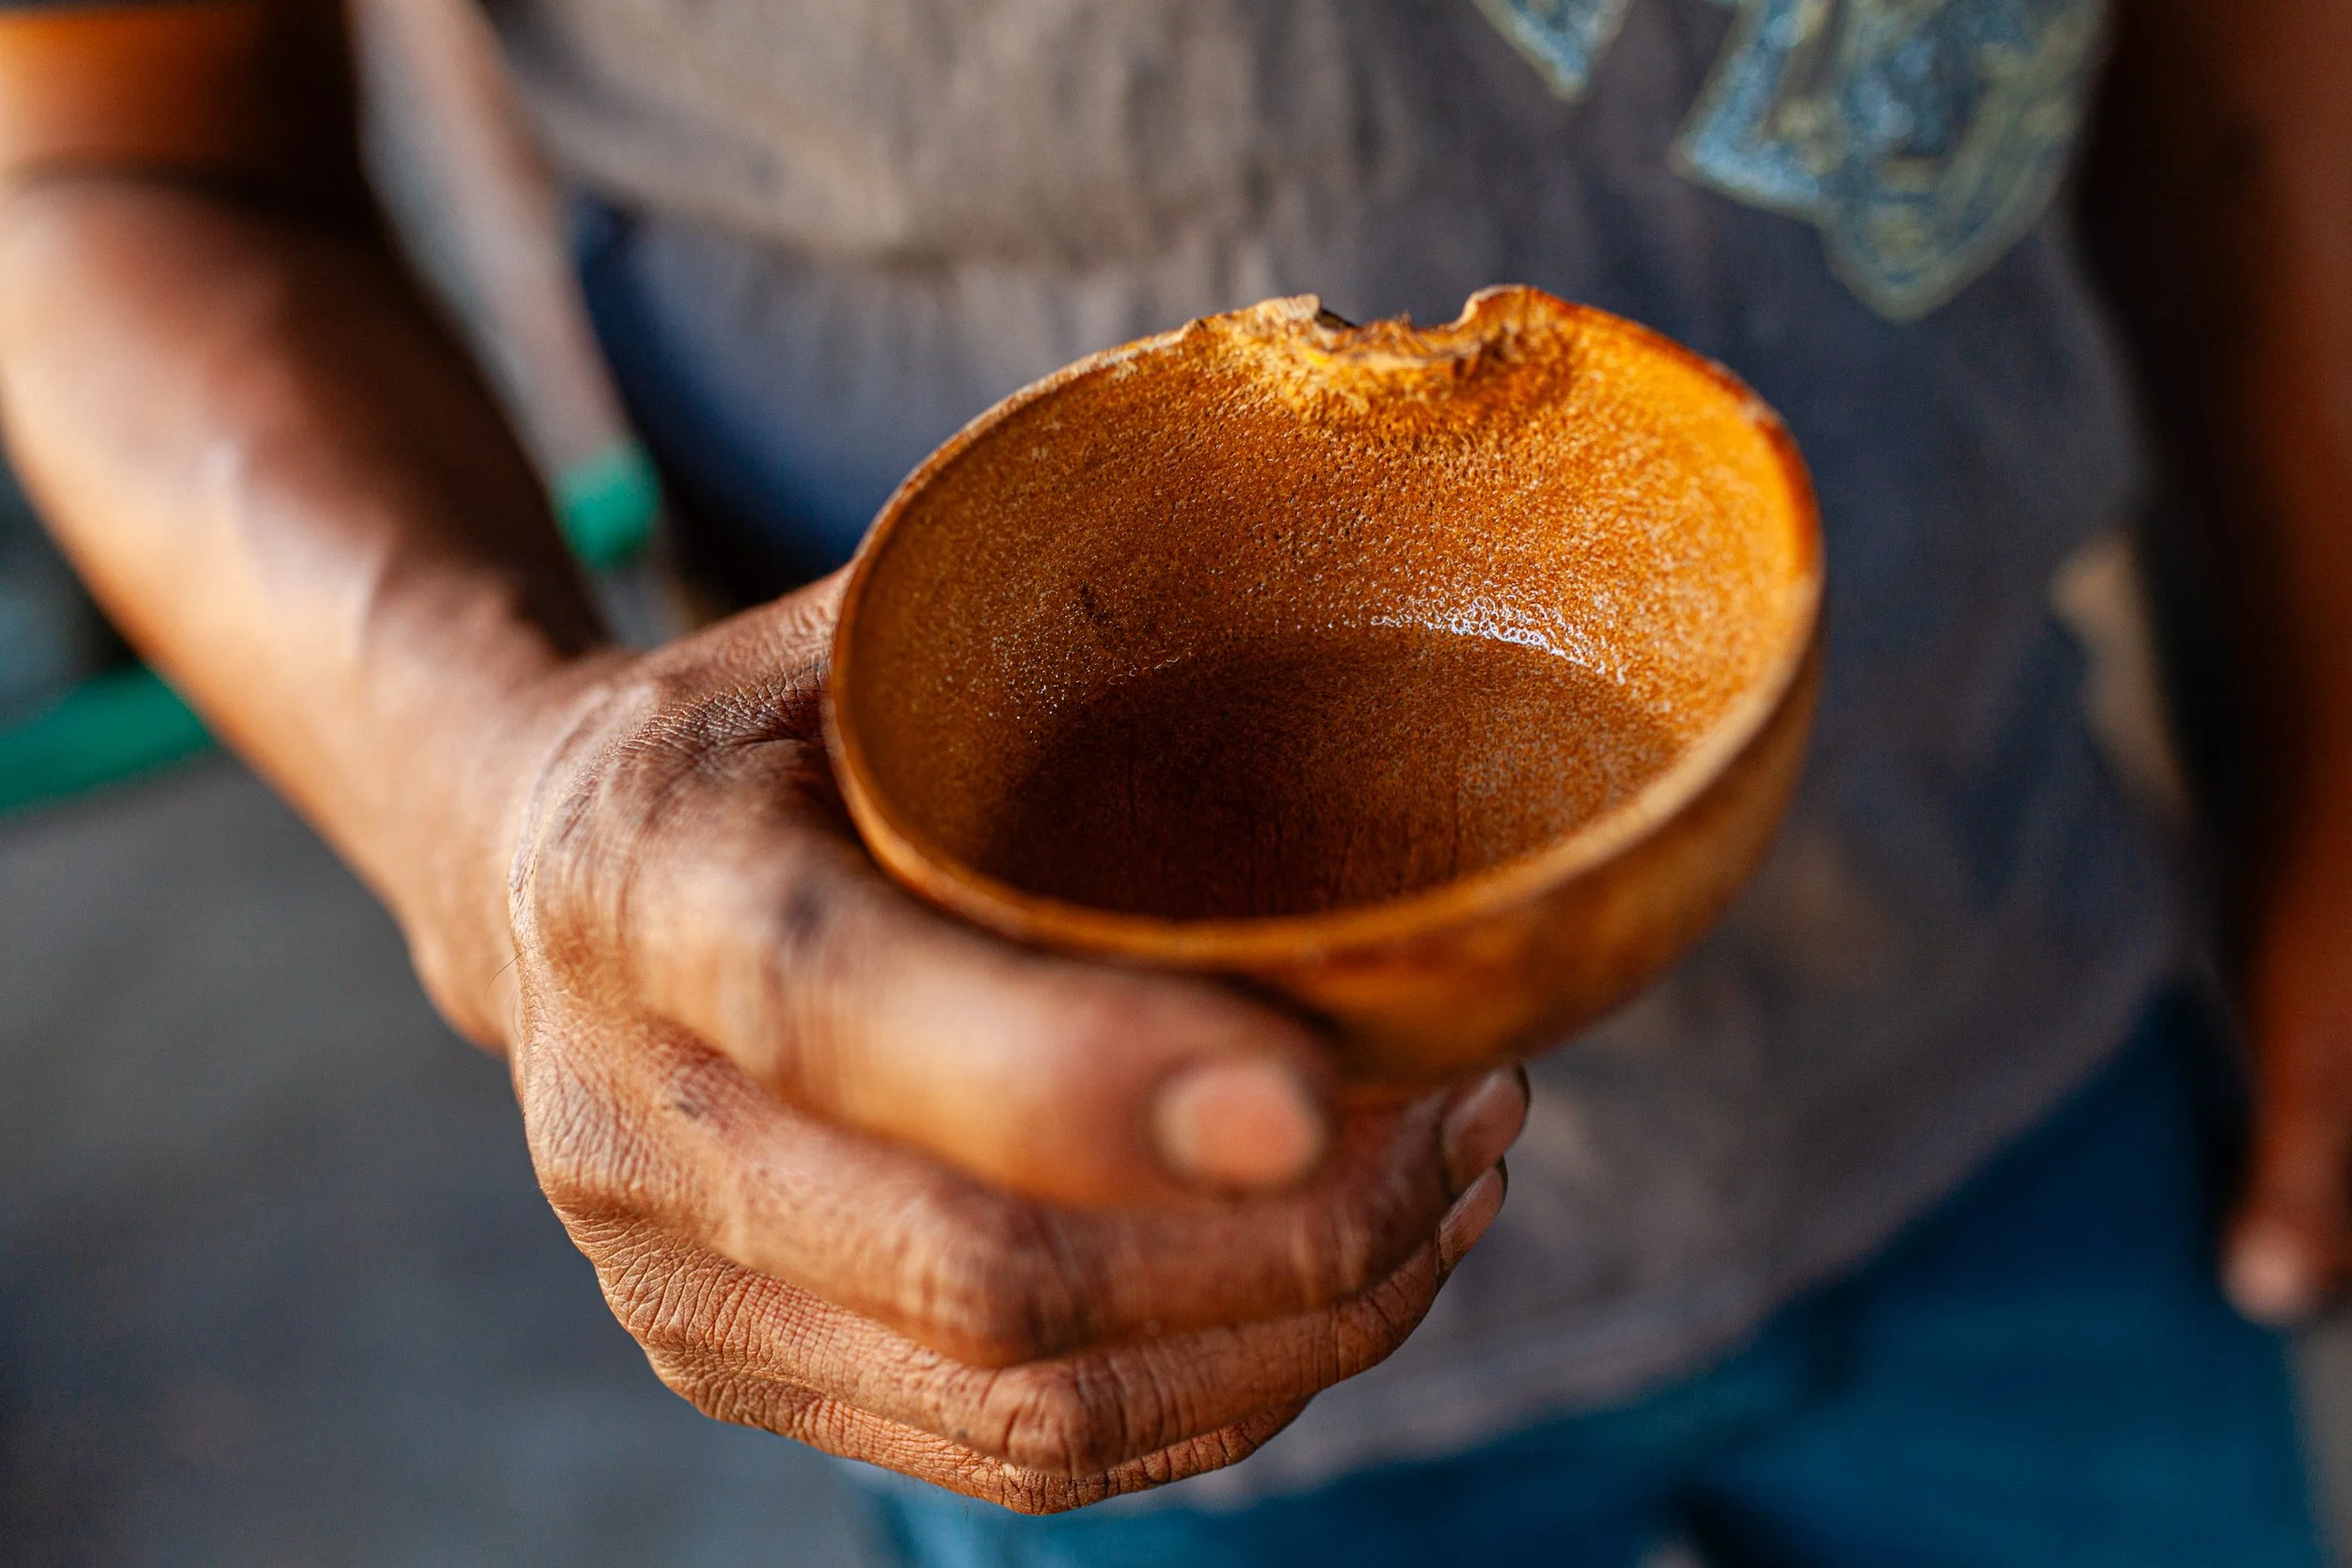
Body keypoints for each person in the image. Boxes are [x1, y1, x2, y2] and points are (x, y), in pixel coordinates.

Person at [0, 1, 2345, 1562]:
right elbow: (110, 163)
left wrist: (2330, 733)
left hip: (2019, 989)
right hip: (1058, 1231)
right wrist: (490, 797)